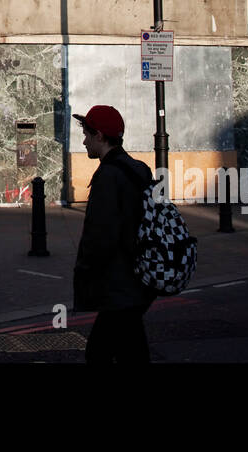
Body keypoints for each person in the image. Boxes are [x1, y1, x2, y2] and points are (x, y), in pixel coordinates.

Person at [72, 104, 156, 363]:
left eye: (87, 134)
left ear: (100, 136)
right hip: (141, 279)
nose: (84, 141)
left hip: (120, 285)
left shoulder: (108, 176)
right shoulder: (138, 168)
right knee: (133, 352)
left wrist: (84, 275)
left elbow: (100, 238)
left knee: (98, 354)